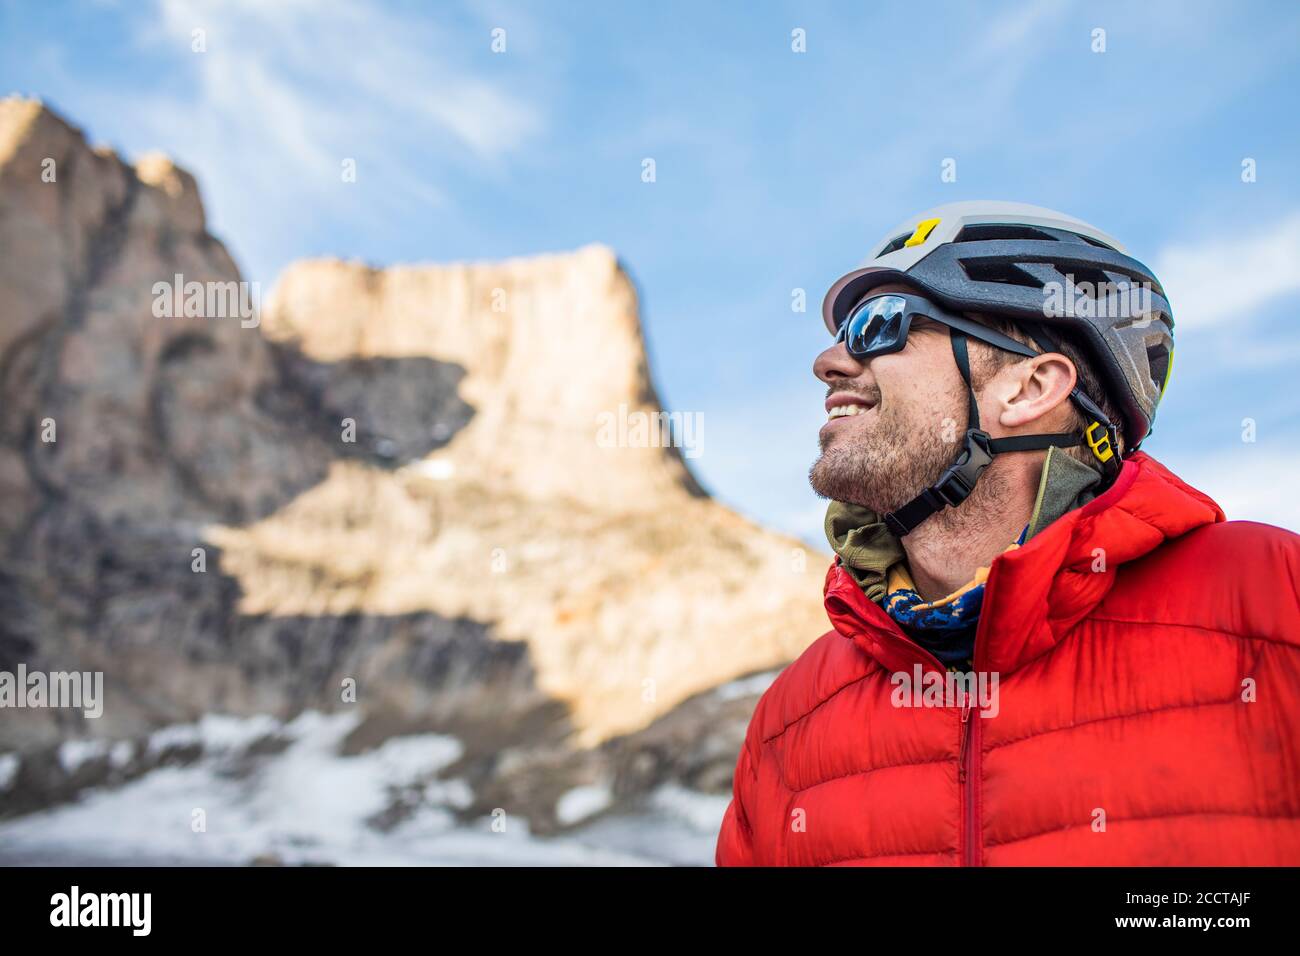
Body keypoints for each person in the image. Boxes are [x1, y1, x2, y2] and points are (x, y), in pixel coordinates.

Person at [715, 201, 1300, 866]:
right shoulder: (791, 717)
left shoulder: (1275, 597)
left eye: (879, 327)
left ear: (1030, 389)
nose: (828, 361)